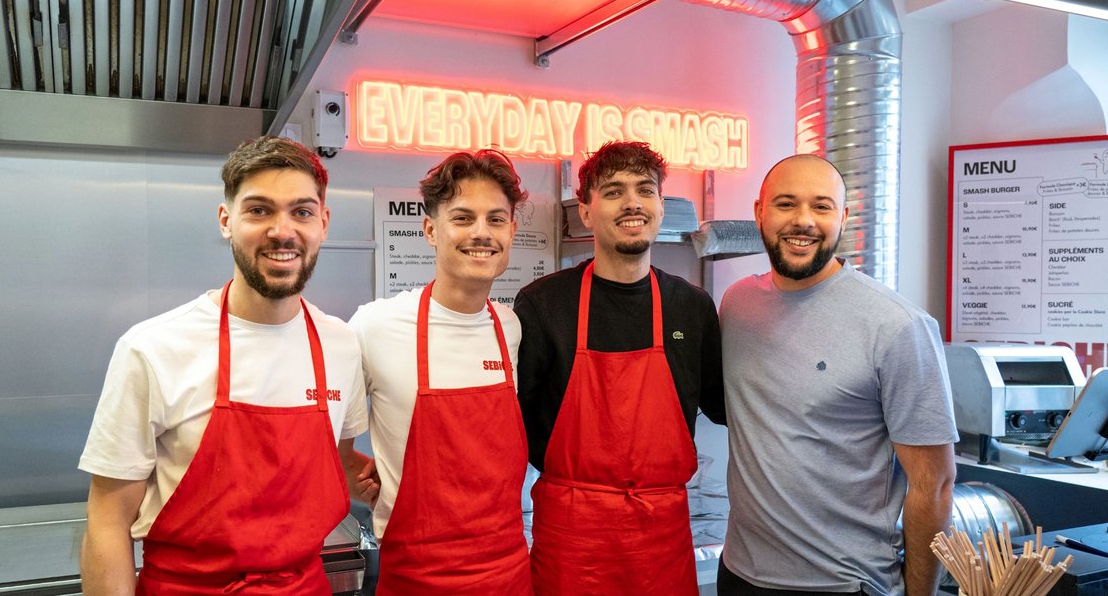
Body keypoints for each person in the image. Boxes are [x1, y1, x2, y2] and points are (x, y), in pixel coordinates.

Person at [78, 136, 378, 595]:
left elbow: (339, 464)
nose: (282, 231)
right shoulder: (153, 348)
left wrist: (404, 479)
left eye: (301, 212)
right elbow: (106, 522)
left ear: (323, 223)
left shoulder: (340, 344)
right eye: (259, 210)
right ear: (226, 221)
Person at [718, 154, 957, 596]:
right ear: (759, 212)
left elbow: (935, 485)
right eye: (786, 203)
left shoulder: (897, 325)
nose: (803, 220)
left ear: (843, 217)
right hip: (739, 574)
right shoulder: (737, 304)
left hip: (844, 583)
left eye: (822, 206)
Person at [515, 140, 725, 596]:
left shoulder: (692, 307)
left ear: (661, 207)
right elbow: (514, 424)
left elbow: (728, 407)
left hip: (662, 538)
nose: (632, 202)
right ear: (586, 212)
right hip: (571, 538)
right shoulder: (543, 305)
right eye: (613, 191)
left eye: (645, 190)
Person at [348, 149, 532, 595]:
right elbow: (324, 435)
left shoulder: (509, 327)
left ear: (511, 230)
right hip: (416, 576)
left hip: (508, 572)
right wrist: (362, 477)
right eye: (463, 218)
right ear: (431, 229)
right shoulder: (375, 325)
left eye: (495, 219)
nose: (481, 233)